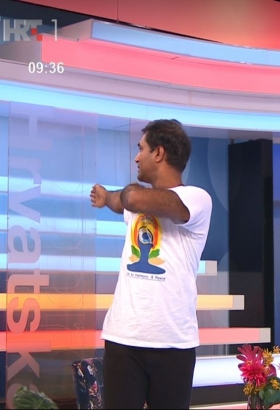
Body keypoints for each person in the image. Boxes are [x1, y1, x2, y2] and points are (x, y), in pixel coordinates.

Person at [90, 119, 213, 409]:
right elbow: (120, 202)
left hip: (173, 343)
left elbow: (131, 198)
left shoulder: (197, 199)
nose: (136, 157)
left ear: (159, 153)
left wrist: (123, 195)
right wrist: (105, 197)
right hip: (123, 339)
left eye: (141, 149)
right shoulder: (136, 202)